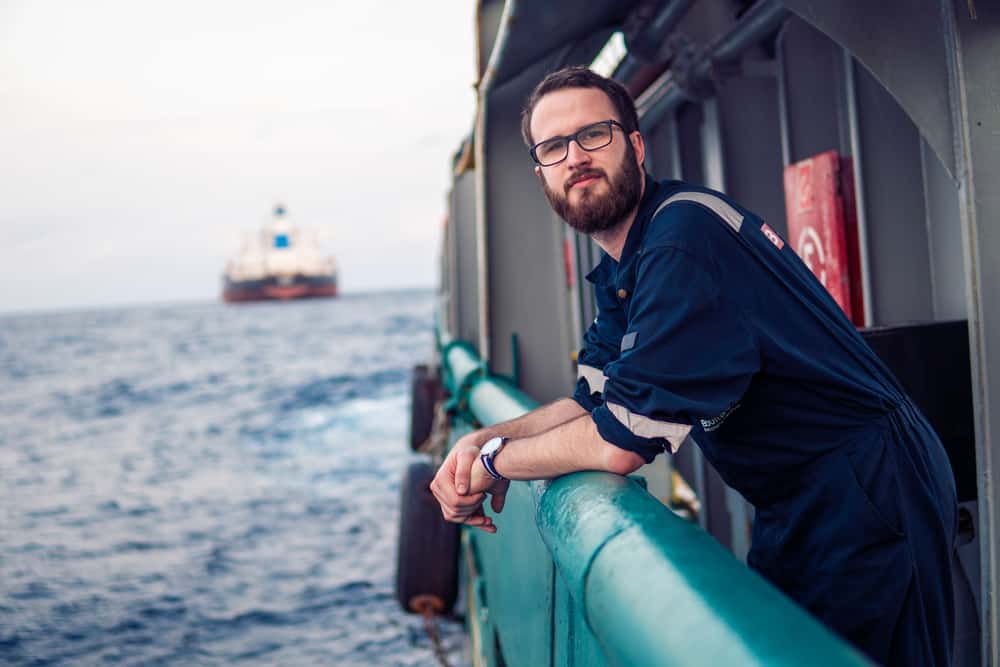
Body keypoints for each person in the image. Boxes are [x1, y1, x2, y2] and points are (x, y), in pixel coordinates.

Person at [429, 66, 958, 666]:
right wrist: (479, 439)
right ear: (542, 172)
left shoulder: (683, 237)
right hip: (798, 499)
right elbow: (590, 401)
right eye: (554, 147)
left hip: (867, 488)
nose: (575, 156)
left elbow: (621, 439)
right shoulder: (632, 258)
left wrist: (497, 464)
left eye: (593, 134)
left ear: (635, 143)